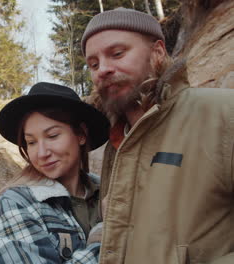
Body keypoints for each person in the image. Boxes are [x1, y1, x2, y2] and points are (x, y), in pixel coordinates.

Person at [81, 7, 234, 264]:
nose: (103, 70)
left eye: (117, 53)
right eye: (93, 64)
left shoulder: (222, 114)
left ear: (158, 52)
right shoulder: (115, 146)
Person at [0, 82, 110, 263]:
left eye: (52, 136)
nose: (42, 153)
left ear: (81, 134)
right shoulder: (15, 204)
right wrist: (105, 234)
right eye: (31, 142)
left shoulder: (109, 191)